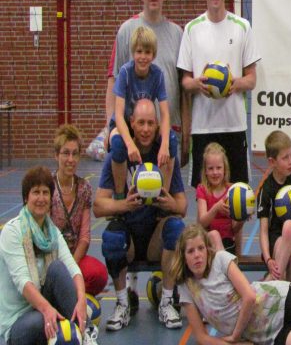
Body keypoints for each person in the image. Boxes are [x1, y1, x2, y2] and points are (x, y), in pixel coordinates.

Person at [94, 99, 188, 332]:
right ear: (132, 124)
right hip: (130, 238)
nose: (146, 129)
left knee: (177, 228)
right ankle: (122, 303)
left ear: (157, 127)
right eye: (141, 123)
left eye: (151, 124)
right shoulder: (118, 157)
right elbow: (98, 206)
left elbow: (183, 206)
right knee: (112, 239)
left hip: (155, 236)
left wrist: (169, 202)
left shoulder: (164, 157)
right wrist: (124, 205)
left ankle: (166, 302)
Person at [0, 167, 106, 345]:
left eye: (45, 193)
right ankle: (68, 338)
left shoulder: (52, 232)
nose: (41, 198)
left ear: (51, 198)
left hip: (43, 306)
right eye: (35, 192)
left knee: (57, 268)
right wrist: (47, 309)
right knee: (48, 322)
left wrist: (82, 300)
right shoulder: (12, 232)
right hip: (18, 323)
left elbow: (73, 269)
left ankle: (85, 336)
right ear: (26, 198)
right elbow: (23, 282)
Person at [178, 0, 260, 187]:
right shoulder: (192, 29)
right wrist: (197, 83)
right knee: (205, 193)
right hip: (203, 127)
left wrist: (235, 83)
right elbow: (184, 81)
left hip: (234, 125)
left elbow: (252, 79)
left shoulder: (242, 26)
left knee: (238, 195)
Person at [105, 0, 189, 165]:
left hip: (166, 135)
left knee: (166, 194)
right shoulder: (126, 30)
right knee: (130, 194)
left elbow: (184, 90)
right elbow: (113, 82)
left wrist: (186, 134)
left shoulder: (177, 33)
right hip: (133, 134)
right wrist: (111, 128)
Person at [109, 26, 174, 197]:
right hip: (124, 124)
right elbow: (118, 114)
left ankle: (164, 194)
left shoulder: (157, 74)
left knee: (172, 141)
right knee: (117, 145)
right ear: (133, 53)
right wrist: (130, 143)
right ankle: (120, 196)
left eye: (147, 52)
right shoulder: (125, 73)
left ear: (153, 54)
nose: (143, 57)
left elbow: (165, 113)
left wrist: (165, 145)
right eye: (139, 52)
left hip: (143, 123)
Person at [51, 124, 108, 296]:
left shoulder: (84, 188)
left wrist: (72, 267)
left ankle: (68, 294)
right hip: (51, 259)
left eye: (75, 153)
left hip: (75, 258)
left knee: (98, 274)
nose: (71, 159)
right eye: (65, 153)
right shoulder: (48, 187)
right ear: (56, 155)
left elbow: (84, 237)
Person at [257, 130, 291, 286]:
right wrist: (267, 258)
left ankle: (271, 285)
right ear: (272, 162)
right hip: (276, 241)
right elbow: (263, 230)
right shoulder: (266, 190)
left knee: (289, 226)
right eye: (285, 157)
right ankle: (289, 297)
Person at [196, 142, 240, 254]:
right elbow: (202, 222)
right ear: (205, 171)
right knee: (214, 235)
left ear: (225, 169)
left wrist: (242, 218)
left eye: (219, 168)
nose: (215, 172)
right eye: (210, 168)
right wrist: (216, 208)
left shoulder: (232, 190)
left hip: (228, 244)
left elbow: (235, 229)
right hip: (208, 246)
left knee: (227, 245)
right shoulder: (202, 189)